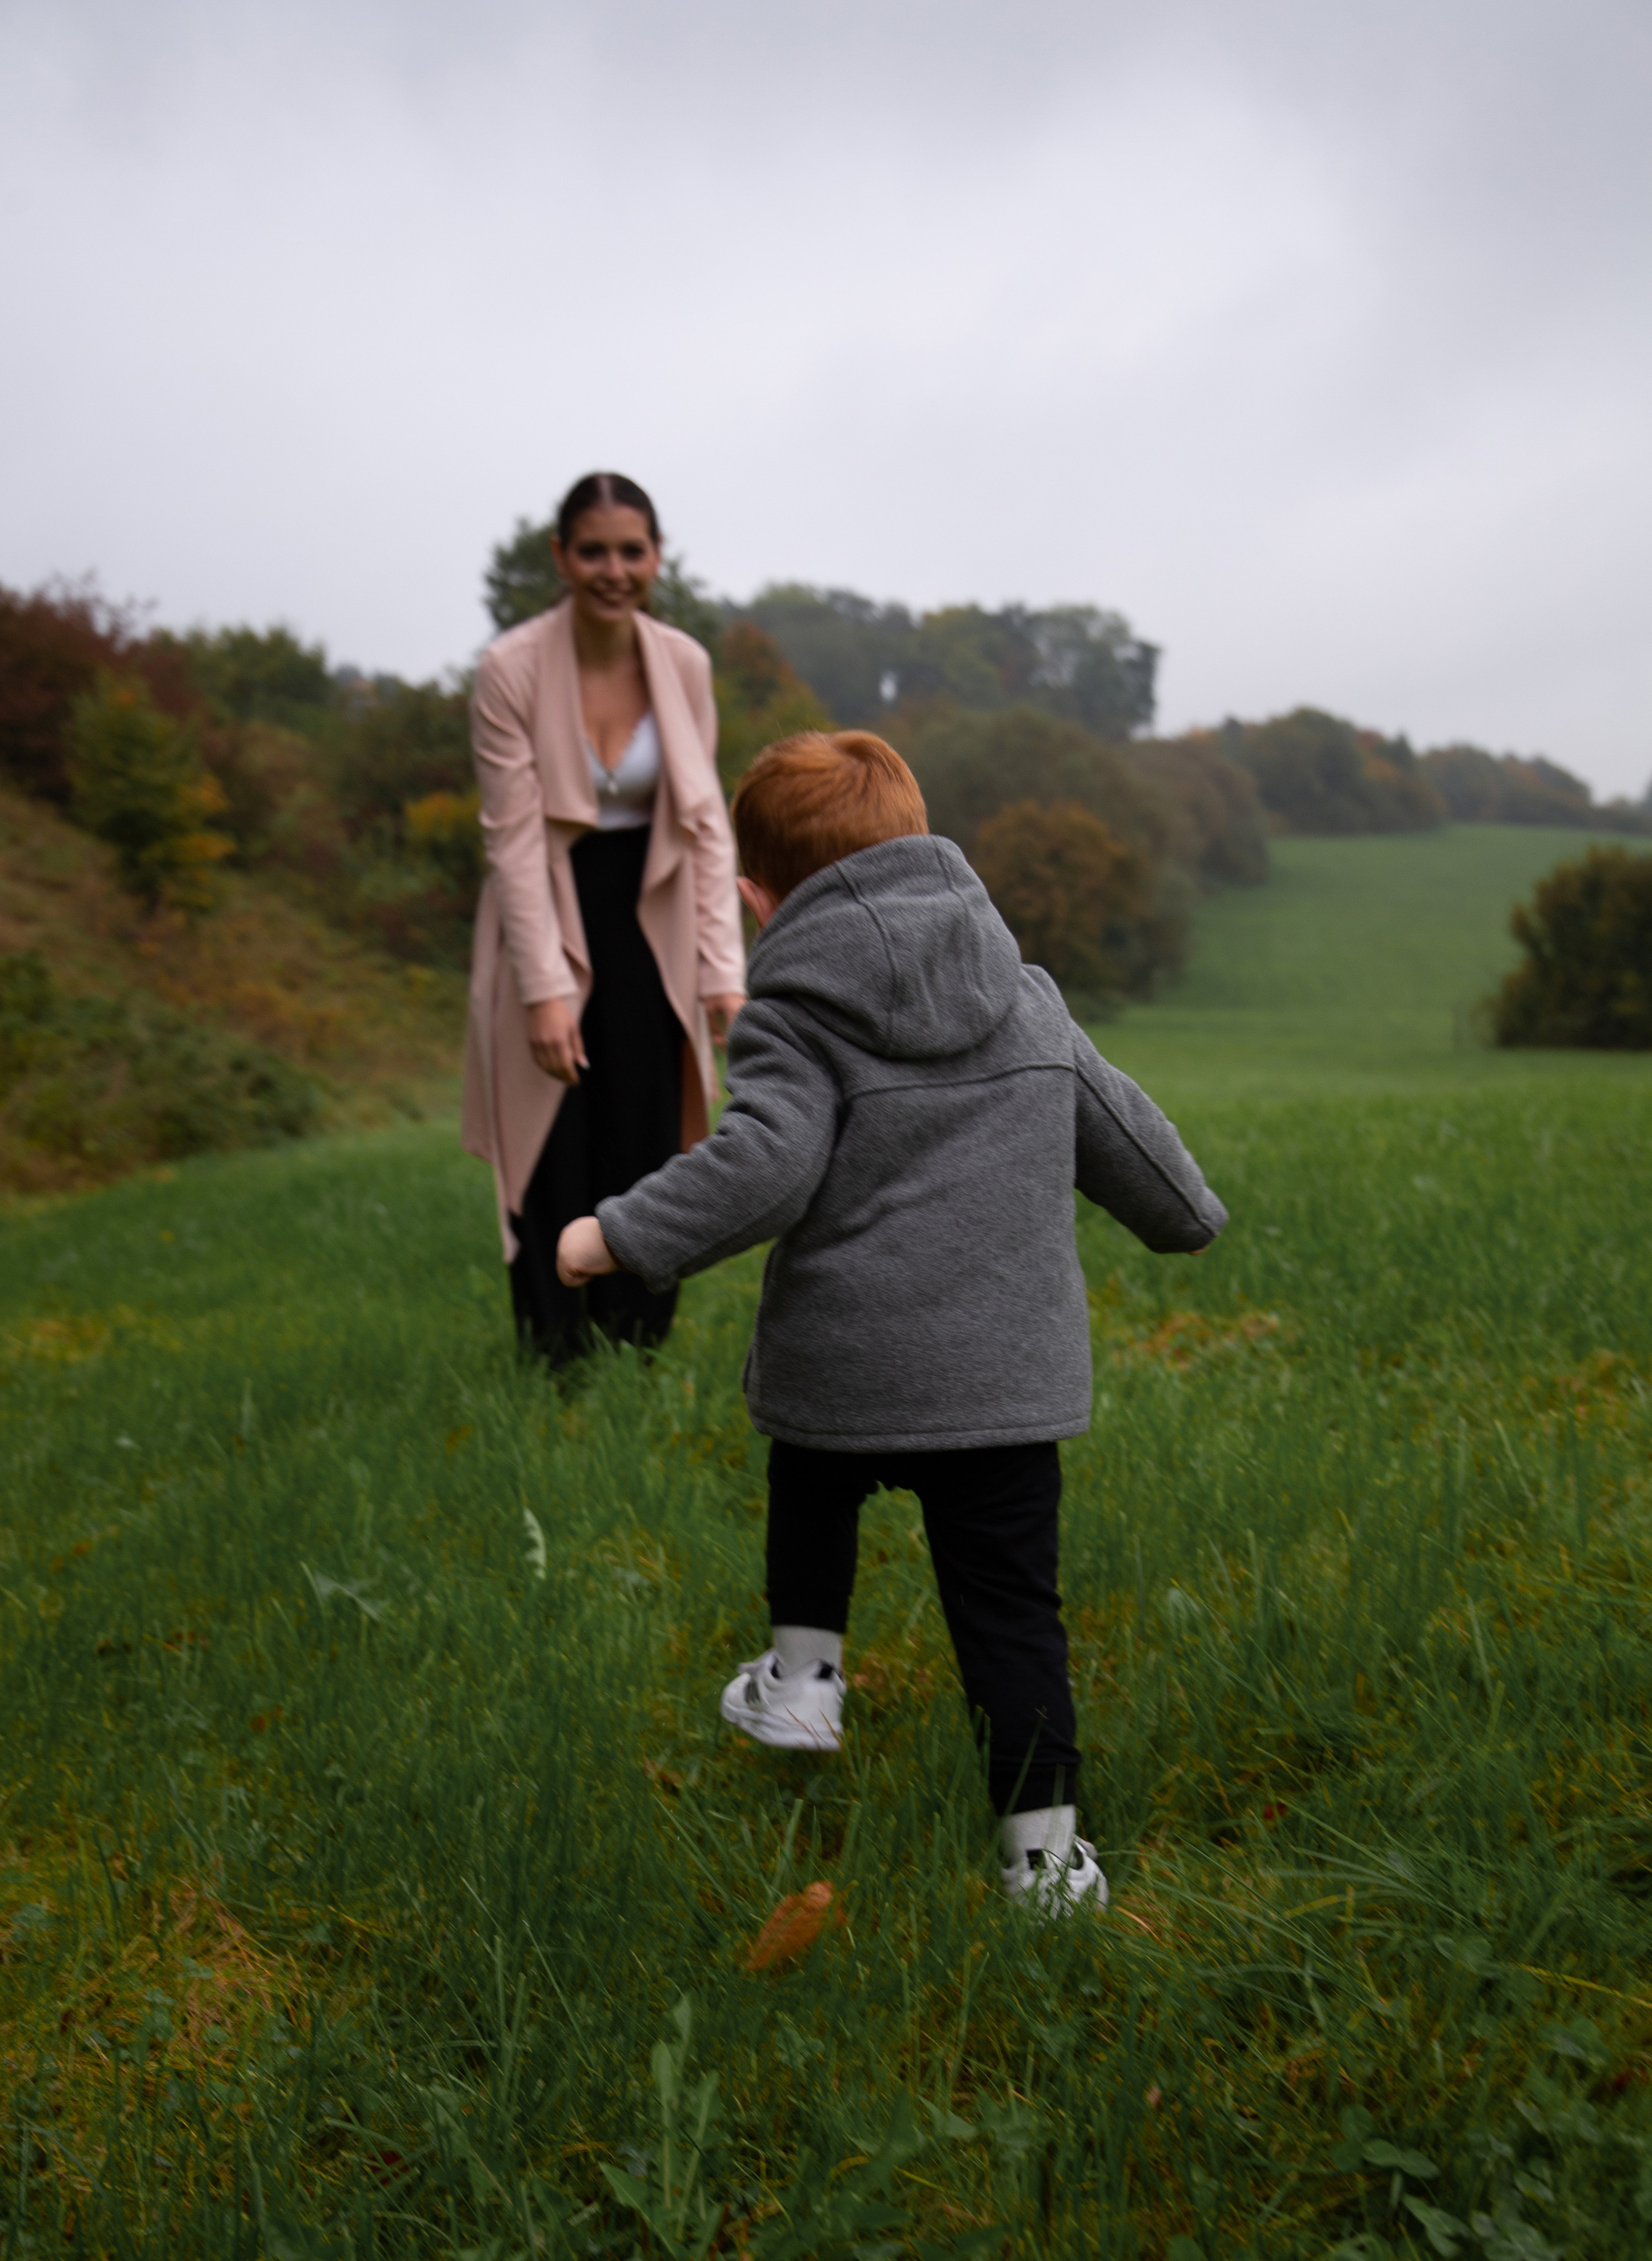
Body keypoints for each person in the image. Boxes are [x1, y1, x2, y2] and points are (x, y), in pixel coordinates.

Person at [556, 730, 1227, 1911]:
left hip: (847, 1367)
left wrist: (613, 1235)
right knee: (1013, 1612)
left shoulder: (793, 1018)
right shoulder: (1027, 1003)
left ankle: (806, 1680)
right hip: (1006, 1387)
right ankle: (1044, 1858)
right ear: (926, 851)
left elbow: (761, 1167)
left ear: (763, 901)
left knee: (812, 1484)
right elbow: (1126, 1139)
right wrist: (1188, 1217)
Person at [461, 472, 745, 1363]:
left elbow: (706, 831)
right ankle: (556, 1358)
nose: (614, 570)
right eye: (594, 551)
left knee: (651, 1140)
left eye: (633, 551)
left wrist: (723, 976)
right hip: (543, 912)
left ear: (656, 559)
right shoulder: (510, 669)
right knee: (555, 1138)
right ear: (561, 557)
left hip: (651, 922)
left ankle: (638, 1349)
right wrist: (545, 991)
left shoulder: (685, 665)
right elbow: (511, 840)